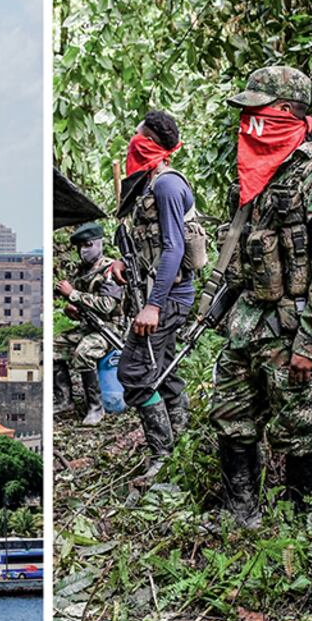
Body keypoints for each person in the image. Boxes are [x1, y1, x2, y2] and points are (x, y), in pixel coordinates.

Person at [208, 66, 312, 526]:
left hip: (295, 330)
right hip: (246, 324)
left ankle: (303, 522)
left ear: (285, 113)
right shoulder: (257, 176)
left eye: (257, 111)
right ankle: (242, 513)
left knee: (298, 430)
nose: (248, 123)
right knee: (230, 417)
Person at [109, 111, 196, 485]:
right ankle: (183, 445)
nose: (133, 142)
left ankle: (162, 456)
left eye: (139, 137)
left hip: (170, 299)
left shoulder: (166, 186)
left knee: (134, 375)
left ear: (152, 144)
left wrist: (153, 305)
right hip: (159, 295)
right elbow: (151, 246)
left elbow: (174, 249)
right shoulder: (146, 186)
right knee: (165, 372)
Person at [54, 221, 124, 425]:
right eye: (79, 247)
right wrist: (72, 309)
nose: (82, 251)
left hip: (109, 329)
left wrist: (73, 295)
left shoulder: (110, 270)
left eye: (87, 245)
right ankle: (63, 399)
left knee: (84, 352)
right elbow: (80, 304)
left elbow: (107, 306)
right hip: (89, 326)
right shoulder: (81, 271)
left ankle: (95, 407)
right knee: (52, 347)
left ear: (98, 244)